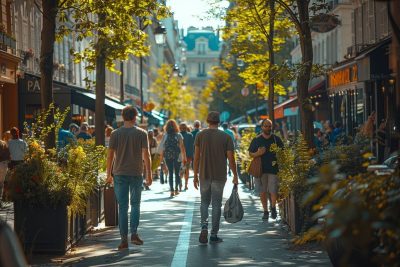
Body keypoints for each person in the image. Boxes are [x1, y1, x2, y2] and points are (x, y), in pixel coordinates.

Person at [106, 106, 152, 250]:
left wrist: (108, 174)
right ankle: (134, 234)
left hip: (119, 173)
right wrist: (149, 173)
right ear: (135, 117)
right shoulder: (141, 133)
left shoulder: (115, 134)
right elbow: (146, 155)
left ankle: (123, 239)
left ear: (123, 117)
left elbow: (110, 155)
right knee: (135, 204)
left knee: (123, 207)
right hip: (136, 173)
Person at [193, 111, 238, 244]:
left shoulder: (200, 135)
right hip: (219, 175)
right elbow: (231, 158)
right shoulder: (226, 137)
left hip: (204, 174)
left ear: (207, 121)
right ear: (218, 122)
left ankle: (204, 226)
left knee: (204, 202)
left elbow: (196, 157)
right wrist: (235, 175)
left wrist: (195, 175)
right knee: (216, 204)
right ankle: (213, 234)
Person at [248, 119, 284, 221]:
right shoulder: (257, 139)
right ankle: (265, 211)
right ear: (262, 127)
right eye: (266, 126)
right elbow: (250, 153)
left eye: (269, 126)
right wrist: (258, 154)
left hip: (274, 168)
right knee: (262, 191)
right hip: (260, 169)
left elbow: (283, 151)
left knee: (273, 190)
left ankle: (273, 207)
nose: (268, 128)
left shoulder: (276, 139)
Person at [159, 120, 187, 197]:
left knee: (170, 173)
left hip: (167, 156)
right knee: (177, 173)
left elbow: (162, 148)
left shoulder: (165, 135)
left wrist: (161, 159)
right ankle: (176, 189)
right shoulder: (179, 135)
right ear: (176, 126)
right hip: (177, 156)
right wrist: (184, 157)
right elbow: (182, 147)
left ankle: (171, 190)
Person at [179, 122, 194, 190]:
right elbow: (192, 146)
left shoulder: (178, 135)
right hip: (188, 156)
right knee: (186, 170)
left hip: (180, 156)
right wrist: (191, 156)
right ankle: (186, 185)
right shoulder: (190, 135)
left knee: (180, 169)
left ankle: (180, 183)